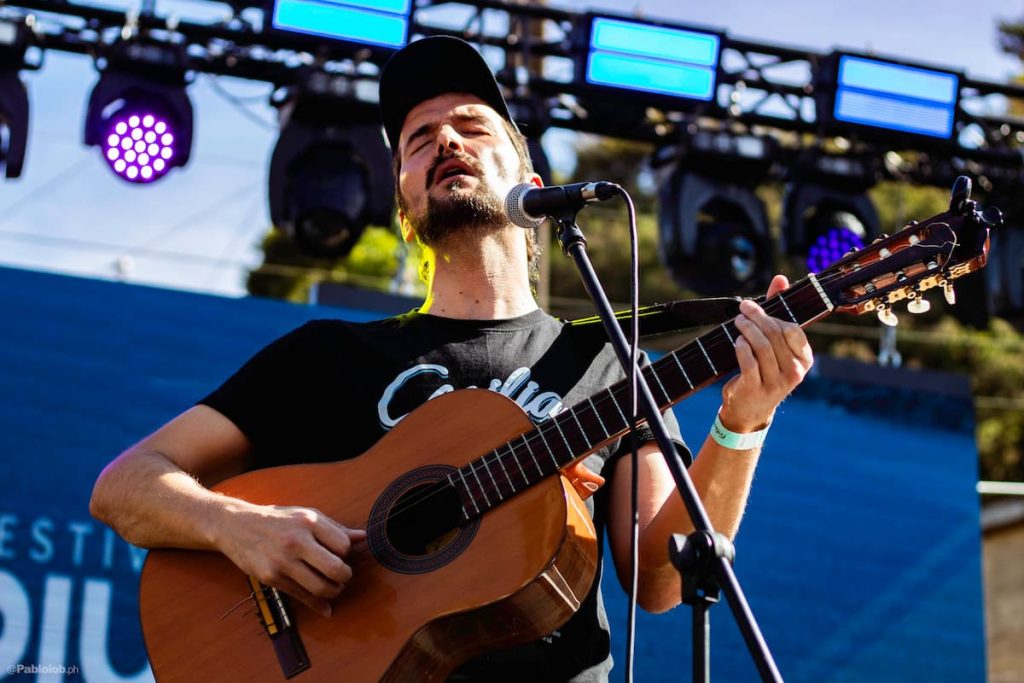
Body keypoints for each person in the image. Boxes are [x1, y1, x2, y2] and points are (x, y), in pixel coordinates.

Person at [90, 36, 813, 681]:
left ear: (528, 176)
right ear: (403, 197)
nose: (444, 141)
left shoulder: (607, 365)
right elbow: (126, 485)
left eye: (471, 126)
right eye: (417, 139)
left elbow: (659, 578)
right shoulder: (324, 357)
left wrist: (742, 422)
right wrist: (240, 528)